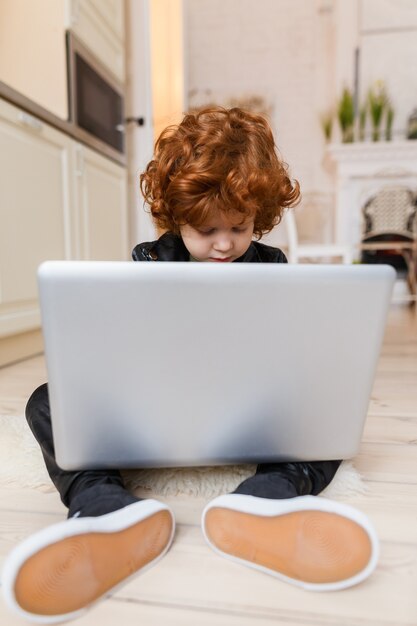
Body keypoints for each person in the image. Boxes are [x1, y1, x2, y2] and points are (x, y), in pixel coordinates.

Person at [2, 107, 378, 624]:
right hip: (154, 409)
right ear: (176, 217)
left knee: (330, 408)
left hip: (250, 410)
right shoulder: (150, 261)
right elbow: (126, 354)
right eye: (206, 230)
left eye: (239, 227)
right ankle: (105, 507)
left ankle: (266, 500)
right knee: (47, 401)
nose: (223, 244)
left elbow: (287, 355)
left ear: (260, 216)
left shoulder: (272, 267)